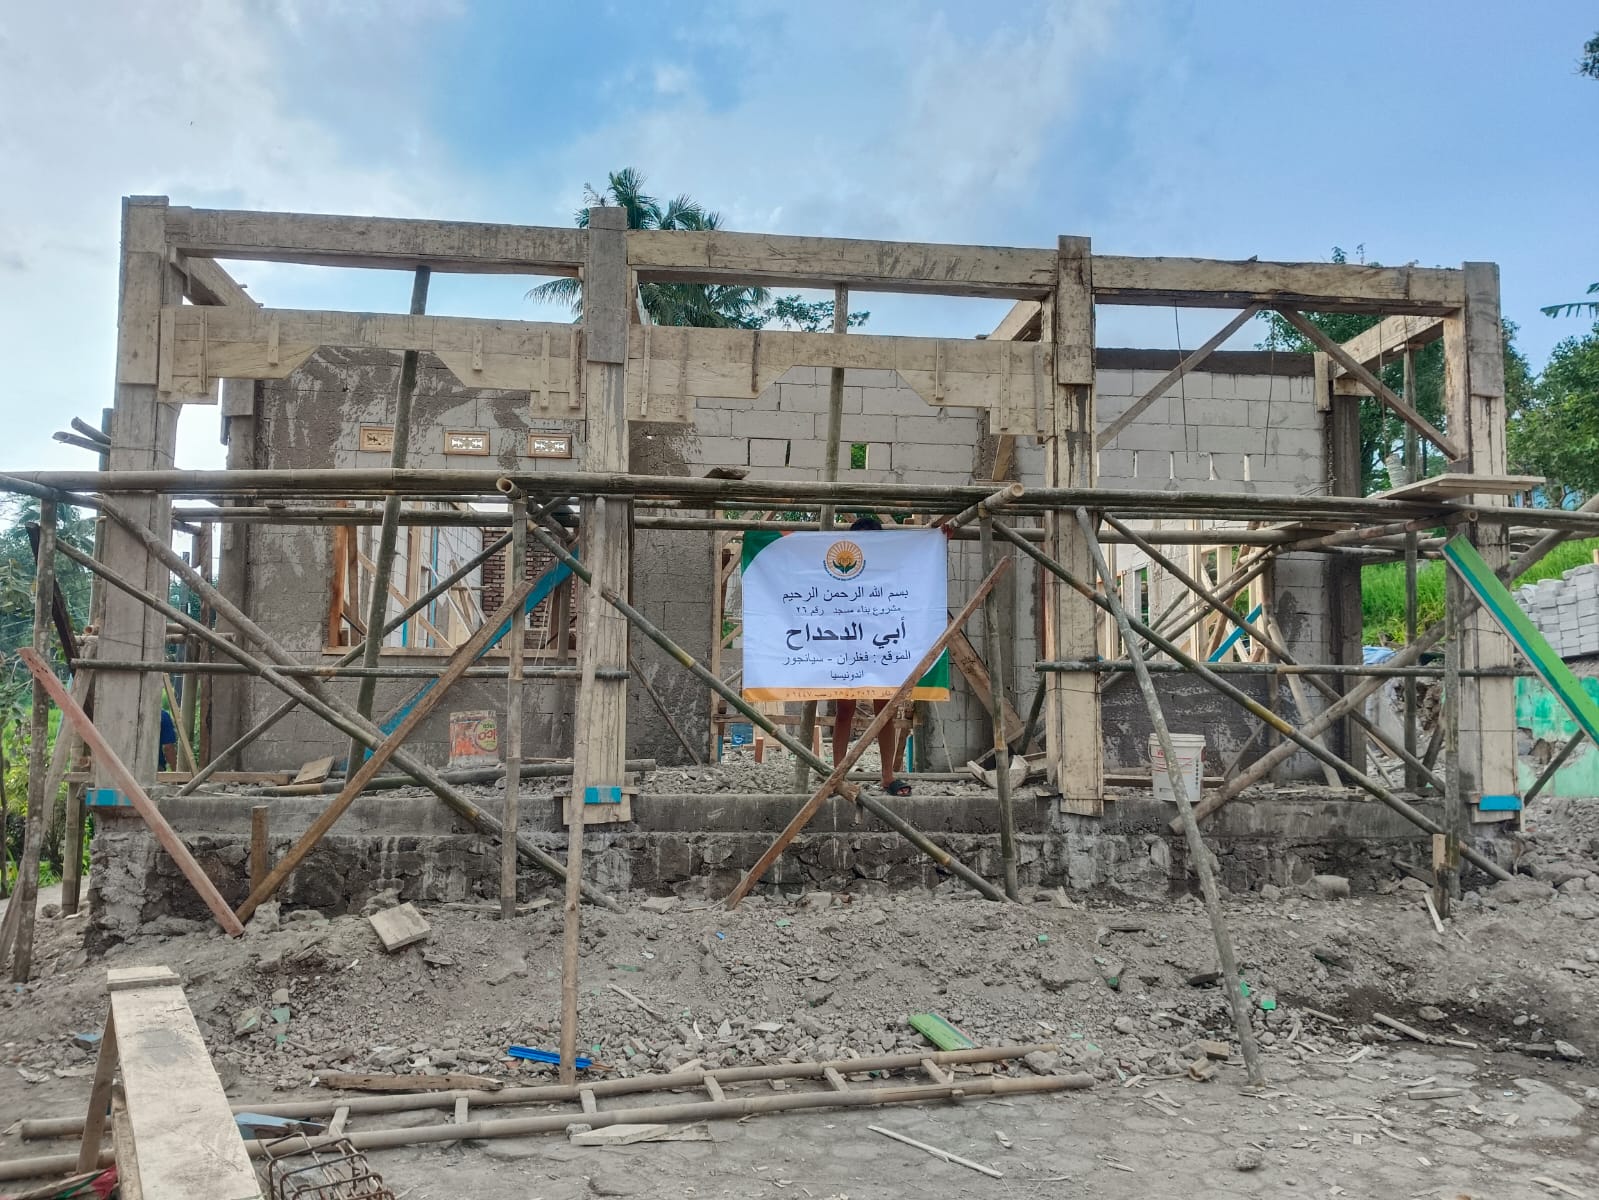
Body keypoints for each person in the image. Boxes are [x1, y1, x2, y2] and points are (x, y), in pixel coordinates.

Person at [830, 517, 913, 795]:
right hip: (847, 643)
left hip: (881, 644)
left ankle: (888, 776)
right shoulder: (842, 569)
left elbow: (916, 562)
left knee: (885, 710)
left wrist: (939, 539)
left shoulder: (887, 569)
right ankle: (838, 775)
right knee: (844, 709)